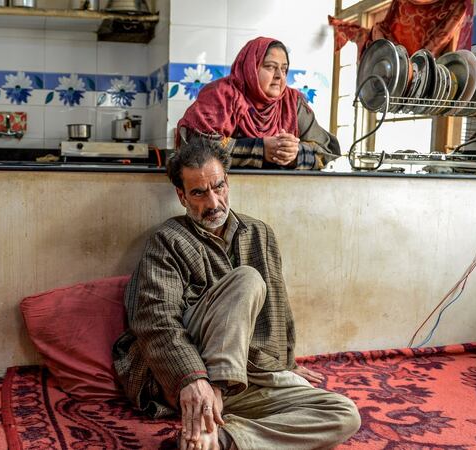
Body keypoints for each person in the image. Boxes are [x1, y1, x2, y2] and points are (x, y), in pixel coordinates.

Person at [112, 138, 360, 450]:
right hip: (183, 374)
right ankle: (212, 391)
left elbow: (277, 308)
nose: (213, 202)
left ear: (228, 182)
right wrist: (194, 378)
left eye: (218, 187)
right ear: (182, 196)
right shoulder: (167, 241)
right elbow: (154, 320)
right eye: (199, 193)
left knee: (343, 413)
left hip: (244, 375)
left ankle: (223, 439)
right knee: (247, 280)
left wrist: (286, 364)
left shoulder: (259, 233)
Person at [177, 37, 340, 170]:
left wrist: (294, 154)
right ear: (250, 68)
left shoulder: (291, 101)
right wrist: (260, 149)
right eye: (270, 67)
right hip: (223, 196)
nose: (279, 76)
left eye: (284, 69)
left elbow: (325, 150)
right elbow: (196, 147)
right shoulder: (221, 95)